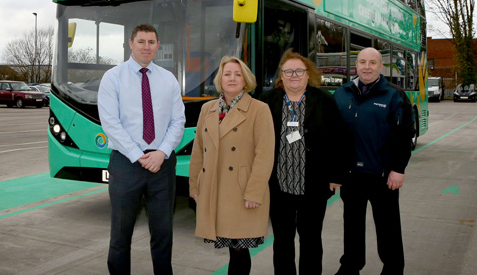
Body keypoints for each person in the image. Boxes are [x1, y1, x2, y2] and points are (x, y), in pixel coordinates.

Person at [97, 24, 186, 275]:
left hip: (162, 164)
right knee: (120, 237)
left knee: (163, 234)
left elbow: (178, 120)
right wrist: (138, 156)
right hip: (126, 164)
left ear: (158, 46)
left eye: (151, 42)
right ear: (130, 43)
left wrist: (162, 152)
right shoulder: (113, 78)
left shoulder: (168, 79)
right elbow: (110, 123)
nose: (146, 47)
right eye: (141, 41)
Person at [259, 49, 346, 275]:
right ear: (281, 75)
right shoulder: (267, 101)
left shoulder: (324, 100)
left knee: (311, 240)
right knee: (282, 241)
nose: (294, 75)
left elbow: (339, 138)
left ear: (308, 74)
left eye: (299, 70)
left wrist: (336, 176)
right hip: (278, 186)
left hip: (314, 186)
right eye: (289, 71)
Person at [189, 56, 275, 275]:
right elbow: (198, 151)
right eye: (227, 74)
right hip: (213, 188)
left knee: (239, 248)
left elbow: (264, 155)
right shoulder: (207, 109)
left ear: (245, 80)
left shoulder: (259, 109)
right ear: (220, 79)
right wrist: (195, 186)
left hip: (242, 190)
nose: (232, 78)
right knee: (231, 247)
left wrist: (254, 193)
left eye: (238, 74)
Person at [333, 47, 415, 275]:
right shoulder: (342, 93)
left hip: (383, 177)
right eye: (362, 62)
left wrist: (398, 169)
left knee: (388, 228)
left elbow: (404, 135)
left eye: (372, 62)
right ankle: (350, 266)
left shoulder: (394, 95)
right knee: (352, 227)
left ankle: (393, 268)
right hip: (351, 177)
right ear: (356, 65)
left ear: (380, 67)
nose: (367, 67)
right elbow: (334, 135)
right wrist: (335, 171)